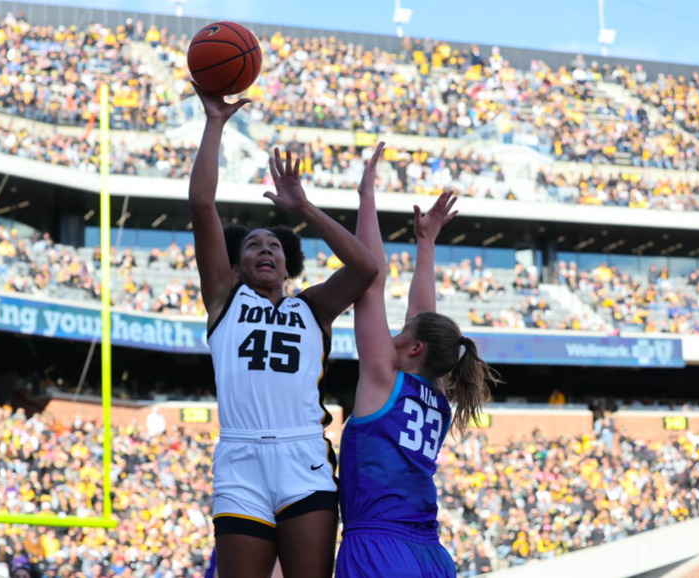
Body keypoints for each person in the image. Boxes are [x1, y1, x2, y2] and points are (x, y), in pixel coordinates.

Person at [189, 84, 378, 578]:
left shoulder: (312, 307)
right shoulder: (224, 300)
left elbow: (366, 268)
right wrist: (214, 123)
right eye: (253, 245)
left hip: (304, 456)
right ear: (235, 266)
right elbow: (202, 206)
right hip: (240, 456)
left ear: (287, 263)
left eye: (274, 244)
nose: (265, 249)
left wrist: (305, 209)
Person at [336, 145, 499, 578]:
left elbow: (369, 281)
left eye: (402, 331)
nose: (393, 333)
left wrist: (366, 197)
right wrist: (425, 243)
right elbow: (424, 319)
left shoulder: (382, 379)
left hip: (379, 546)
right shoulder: (438, 395)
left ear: (414, 349)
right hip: (431, 554)